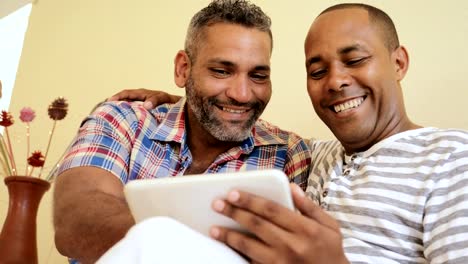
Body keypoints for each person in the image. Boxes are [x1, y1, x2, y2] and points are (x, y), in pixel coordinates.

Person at [111, 3, 468, 263]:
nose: (336, 81)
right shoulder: (315, 155)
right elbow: (240, 115)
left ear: (399, 62)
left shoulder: (451, 157)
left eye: (355, 60)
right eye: (317, 71)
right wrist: (189, 100)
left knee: (155, 236)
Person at [52, 1, 311, 263]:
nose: (242, 94)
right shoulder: (122, 120)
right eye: (221, 71)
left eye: (257, 76)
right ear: (183, 69)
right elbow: (77, 221)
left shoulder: (289, 153)